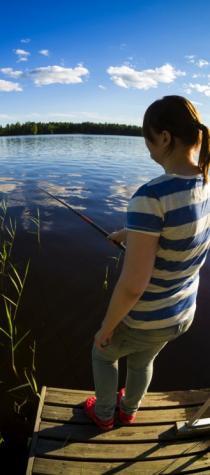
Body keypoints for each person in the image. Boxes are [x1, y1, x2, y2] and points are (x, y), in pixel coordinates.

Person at [84, 95, 210, 431]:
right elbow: (183, 230)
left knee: (103, 353)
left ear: (165, 137)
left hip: (146, 317)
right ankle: (130, 409)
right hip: (181, 314)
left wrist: (107, 328)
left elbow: (133, 285)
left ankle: (106, 413)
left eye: (148, 140)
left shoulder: (150, 197)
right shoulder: (206, 182)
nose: (148, 149)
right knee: (142, 363)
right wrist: (131, 233)